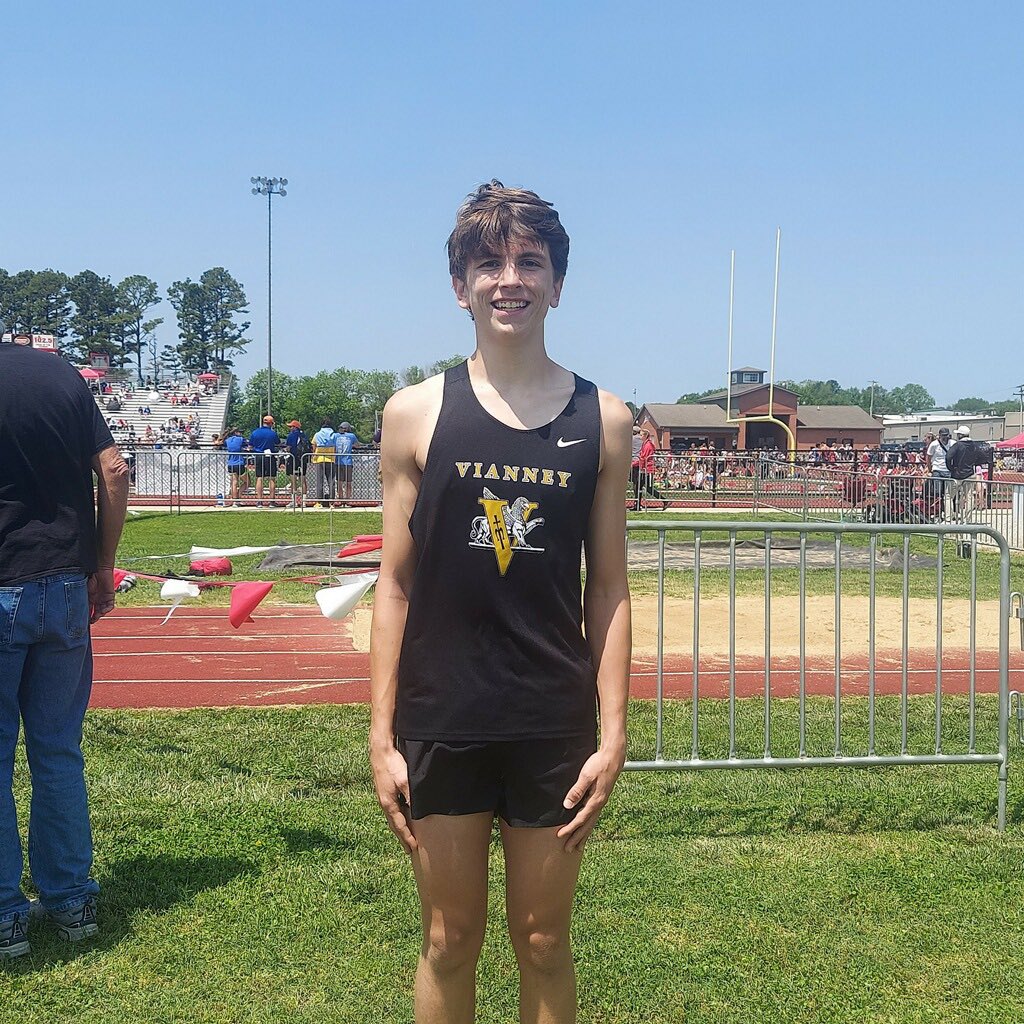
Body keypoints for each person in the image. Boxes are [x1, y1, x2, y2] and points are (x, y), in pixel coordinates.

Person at [369, 180, 632, 1024]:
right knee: (449, 938)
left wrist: (615, 729)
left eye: (529, 261)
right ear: (460, 287)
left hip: (551, 720)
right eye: (489, 263)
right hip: (443, 714)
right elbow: (396, 584)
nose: (509, 278)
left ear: (558, 283)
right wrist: (381, 735)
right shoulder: (414, 413)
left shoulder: (606, 420)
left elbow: (611, 587)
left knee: (545, 941)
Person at [0, 342, 129, 959]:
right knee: (57, 751)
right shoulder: (58, 373)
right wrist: (102, 564)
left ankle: (5, 916)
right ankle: (71, 900)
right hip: (66, 586)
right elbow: (114, 470)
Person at [249, 415, 281, 507]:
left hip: (258, 456)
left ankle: (259, 501)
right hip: (269, 456)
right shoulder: (272, 433)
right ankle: (271, 501)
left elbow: (250, 445)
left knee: (259, 477)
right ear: (271, 423)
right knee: (272, 478)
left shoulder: (255, 432)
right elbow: (278, 443)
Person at [925, 427, 953, 521]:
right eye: (944, 436)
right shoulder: (934, 444)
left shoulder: (952, 443)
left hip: (948, 470)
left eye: (946, 435)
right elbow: (928, 458)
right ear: (940, 436)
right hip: (937, 470)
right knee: (937, 494)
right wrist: (930, 470)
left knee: (948, 494)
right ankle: (938, 514)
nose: (945, 438)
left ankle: (947, 514)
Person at [311, 419, 338, 505]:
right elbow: (336, 447)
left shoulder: (317, 434)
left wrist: (313, 455)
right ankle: (331, 502)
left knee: (320, 481)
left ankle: (319, 501)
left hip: (319, 459)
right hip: (330, 459)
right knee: (331, 481)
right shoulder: (334, 435)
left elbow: (313, 446)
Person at [285, 419, 311, 506]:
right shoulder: (304, 435)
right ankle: (304, 501)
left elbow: (288, 448)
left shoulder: (291, 436)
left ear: (294, 427)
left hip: (293, 458)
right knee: (302, 480)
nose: (290, 428)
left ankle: (294, 501)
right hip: (303, 459)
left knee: (293, 480)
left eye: (291, 426)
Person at [334, 421, 358, 502]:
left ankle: (340, 498)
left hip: (337, 461)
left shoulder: (335, 435)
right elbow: (357, 445)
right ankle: (347, 499)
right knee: (348, 482)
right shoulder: (352, 436)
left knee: (339, 482)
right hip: (348, 462)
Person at [224, 427, 249, 506]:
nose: (241, 433)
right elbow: (248, 443)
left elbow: (220, 442)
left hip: (230, 463)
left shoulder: (227, 440)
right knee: (247, 482)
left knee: (234, 482)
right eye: (239, 432)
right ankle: (238, 496)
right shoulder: (240, 439)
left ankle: (235, 501)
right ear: (236, 432)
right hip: (239, 463)